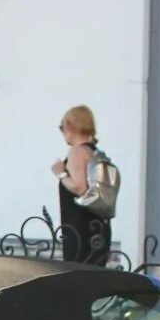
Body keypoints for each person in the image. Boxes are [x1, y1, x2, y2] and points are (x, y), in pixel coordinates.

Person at [51, 105, 111, 265]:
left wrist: (60, 173)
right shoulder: (94, 152)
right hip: (96, 228)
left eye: (62, 127)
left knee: (78, 279)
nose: (62, 132)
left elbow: (80, 188)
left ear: (71, 126)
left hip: (80, 228)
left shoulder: (77, 152)